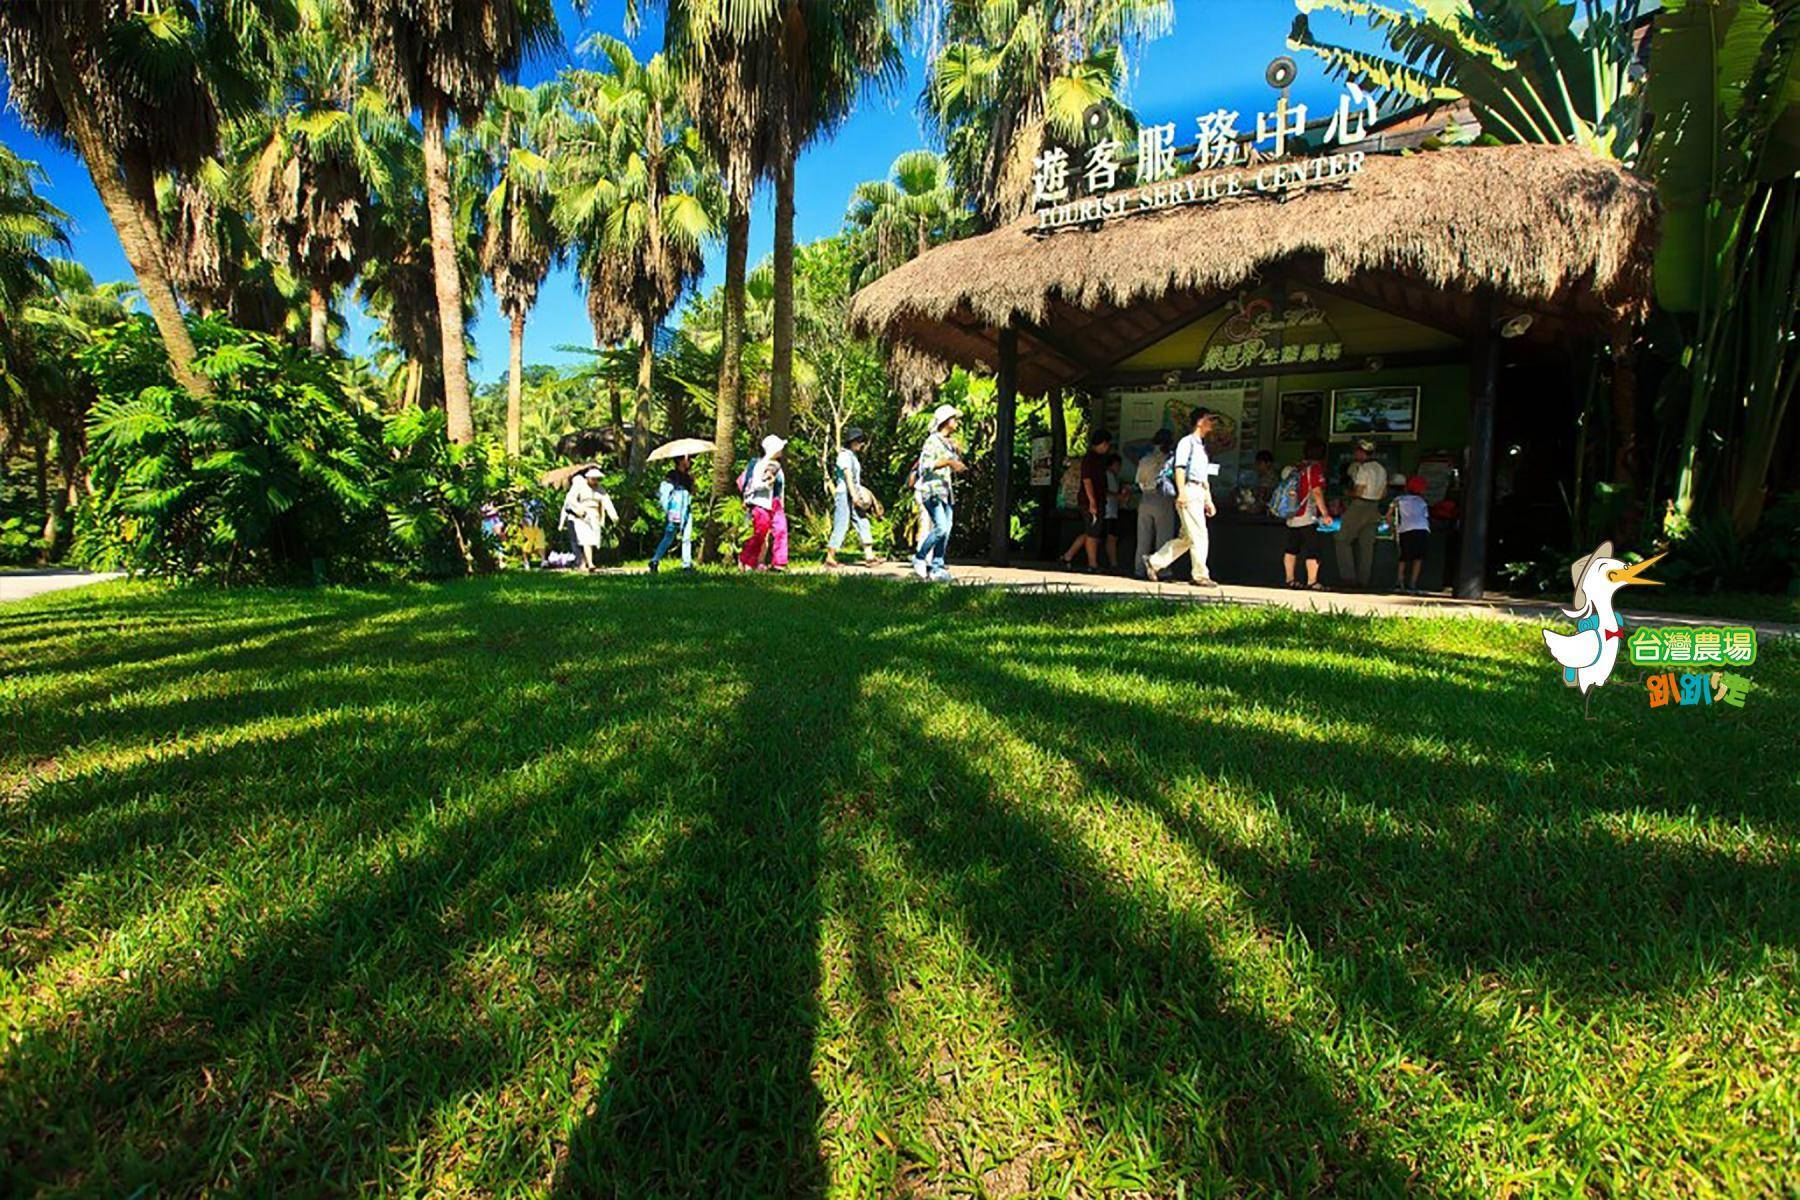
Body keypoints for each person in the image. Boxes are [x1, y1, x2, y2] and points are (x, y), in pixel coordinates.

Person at [1145, 407, 1220, 588]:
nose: (1212, 423)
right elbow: (1180, 467)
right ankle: (1200, 575)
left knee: (1187, 538)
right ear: (1200, 422)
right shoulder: (1187, 443)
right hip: (1189, 490)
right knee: (1200, 534)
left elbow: (1203, 475)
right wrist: (1182, 492)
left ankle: (1154, 562)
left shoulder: (1201, 446)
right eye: (1209, 419)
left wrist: (1208, 499)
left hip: (1199, 491)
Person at [912, 403, 966, 582]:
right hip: (932, 491)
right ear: (945, 421)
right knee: (941, 528)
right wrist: (950, 462)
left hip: (945, 491)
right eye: (953, 419)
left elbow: (953, 463)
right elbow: (924, 466)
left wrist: (956, 455)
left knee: (947, 529)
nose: (956, 422)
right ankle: (920, 557)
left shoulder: (947, 443)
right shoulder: (932, 441)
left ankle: (937, 567)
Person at [1335, 438, 1390, 589]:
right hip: (1375, 507)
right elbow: (1384, 492)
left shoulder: (1364, 469)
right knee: (1367, 546)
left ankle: (1348, 578)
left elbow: (1359, 491)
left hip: (1360, 505)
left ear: (1360, 452)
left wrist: (1348, 492)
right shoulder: (1381, 469)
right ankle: (1363, 580)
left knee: (1342, 540)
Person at [1058, 428, 1113, 571]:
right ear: (1102, 443)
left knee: (1090, 531)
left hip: (1096, 499)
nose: (1107, 448)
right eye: (1106, 445)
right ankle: (1092, 564)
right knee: (1092, 533)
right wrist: (1092, 502)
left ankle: (1068, 556)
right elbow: (1087, 480)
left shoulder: (1098, 459)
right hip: (1090, 501)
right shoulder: (1091, 459)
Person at [826, 427, 882, 568]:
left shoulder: (853, 456)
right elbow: (848, 477)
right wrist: (854, 496)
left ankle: (869, 556)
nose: (862, 444)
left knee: (862, 521)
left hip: (854, 493)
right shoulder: (844, 455)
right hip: (845, 493)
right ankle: (830, 557)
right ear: (853, 442)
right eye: (860, 441)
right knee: (841, 524)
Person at [1282, 440, 1331, 590]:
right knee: (1313, 548)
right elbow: (1316, 492)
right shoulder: (1315, 469)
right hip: (1307, 515)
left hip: (1292, 514)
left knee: (1292, 548)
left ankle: (1290, 579)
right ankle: (1312, 581)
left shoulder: (1295, 468)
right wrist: (1325, 514)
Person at [738, 434, 789, 572]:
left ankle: (780, 563)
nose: (782, 451)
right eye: (779, 448)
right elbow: (755, 484)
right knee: (760, 534)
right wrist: (767, 484)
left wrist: (781, 503)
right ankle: (746, 559)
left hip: (775, 503)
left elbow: (781, 487)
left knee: (781, 530)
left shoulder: (778, 466)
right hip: (760, 503)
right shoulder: (760, 465)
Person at [1133, 429, 1175, 580]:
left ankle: (1139, 569)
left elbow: (1138, 482)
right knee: (1163, 536)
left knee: (1143, 536)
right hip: (1163, 499)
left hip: (1145, 498)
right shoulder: (1171, 460)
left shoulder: (1145, 460)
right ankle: (1161, 570)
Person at [648, 455, 696, 573]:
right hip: (675, 511)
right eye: (687, 459)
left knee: (687, 538)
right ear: (679, 461)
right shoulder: (672, 475)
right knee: (668, 537)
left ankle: (687, 565)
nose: (689, 461)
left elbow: (693, 493)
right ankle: (655, 560)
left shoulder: (688, 477)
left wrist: (693, 483)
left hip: (686, 511)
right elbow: (666, 492)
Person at [1390, 474, 1431, 593]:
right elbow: (1426, 516)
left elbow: (1389, 514)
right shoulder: (1422, 501)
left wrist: (1393, 527)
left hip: (1405, 529)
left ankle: (1399, 581)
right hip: (1422, 529)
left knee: (1403, 557)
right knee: (1418, 558)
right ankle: (1413, 583)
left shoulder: (1399, 500)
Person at [560, 466, 606, 572]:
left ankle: (586, 562)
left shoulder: (597, 489)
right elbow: (567, 505)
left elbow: (602, 504)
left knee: (589, 541)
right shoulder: (577, 487)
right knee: (580, 541)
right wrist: (577, 511)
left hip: (589, 518)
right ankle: (585, 563)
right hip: (576, 518)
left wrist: (601, 518)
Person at [1102, 451, 1125, 570]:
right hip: (1108, 511)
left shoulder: (1114, 478)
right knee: (1111, 537)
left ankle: (1113, 562)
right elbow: (1105, 491)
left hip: (1112, 511)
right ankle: (1113, 563)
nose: (1119, 468)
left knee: (1112, 537)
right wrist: (1118, 496)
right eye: (1118, 465)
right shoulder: (1107, 475)